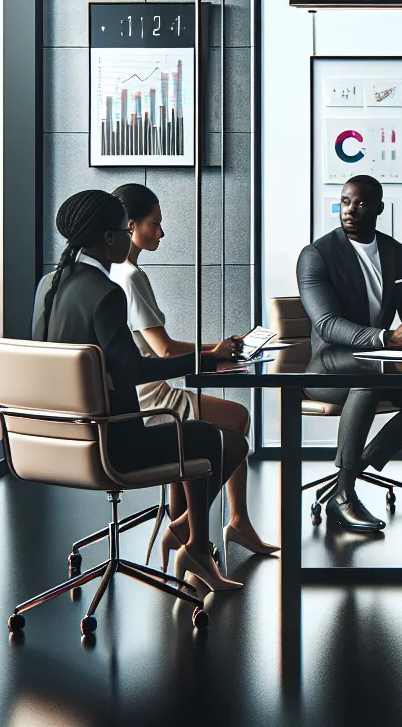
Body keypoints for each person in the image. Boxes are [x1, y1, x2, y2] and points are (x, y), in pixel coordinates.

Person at [31, 190, 247, 594]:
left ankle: (192, 543)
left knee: (206, 437)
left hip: (57, 438)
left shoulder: (49, 285)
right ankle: (194, 547)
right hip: (114, 439)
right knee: (222, 441)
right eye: (122, 234)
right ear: (111, 237)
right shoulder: (106, 292)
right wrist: (204, 360)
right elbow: (136, 369)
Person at [110, 183, 277, 558]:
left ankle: (198, 523)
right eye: (155, 224)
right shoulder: (131, 276)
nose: (162, 232)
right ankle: (211, 523)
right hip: (151, 398)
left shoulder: (112, 273)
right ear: (131, 225)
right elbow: (164, 348)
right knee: (238, 417)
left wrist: (214, 350)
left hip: (132, 393)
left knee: (207, 434)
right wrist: (213, 351)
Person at [296, 175, 402, 533]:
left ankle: (353, 470)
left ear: (378, 208)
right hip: (327, 367)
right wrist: (388, 338)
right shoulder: (316, 256)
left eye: (360, 203)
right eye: (345, 202)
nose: (349, 210)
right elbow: (328, 325)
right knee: (368, 376)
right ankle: (344, 497)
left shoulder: (400, 256)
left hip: (380, 364)